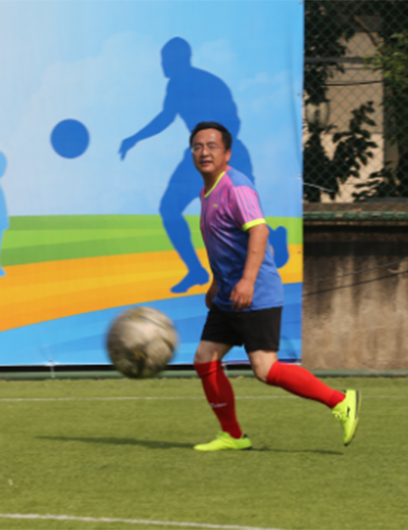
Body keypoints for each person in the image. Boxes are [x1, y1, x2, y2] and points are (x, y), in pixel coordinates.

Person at [189, 121, 360, 451]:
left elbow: (259, 231)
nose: (204, 152)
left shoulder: (237, 187)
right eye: (198, 146)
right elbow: (224, 243)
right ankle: (233, 436)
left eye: (212, 146)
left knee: (265, 369)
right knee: (204, 358)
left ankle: (341, 402)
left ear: (227, 153)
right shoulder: (207, 191)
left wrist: (247, 281)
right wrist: (216, 282)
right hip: (228, 294)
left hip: (256, 293)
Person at [119, 37, 254, 293]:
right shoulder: (175, 85)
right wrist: (135, 138)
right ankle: (196, 270)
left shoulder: (210, 83)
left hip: (230, 155)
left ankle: (268, 246)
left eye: (165, 60)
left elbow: (233, 122)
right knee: (169, 208)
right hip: (198, 157)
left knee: (244, 219)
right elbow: (166, 117)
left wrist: (221, 155)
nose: (162, 65)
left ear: (179, 60)